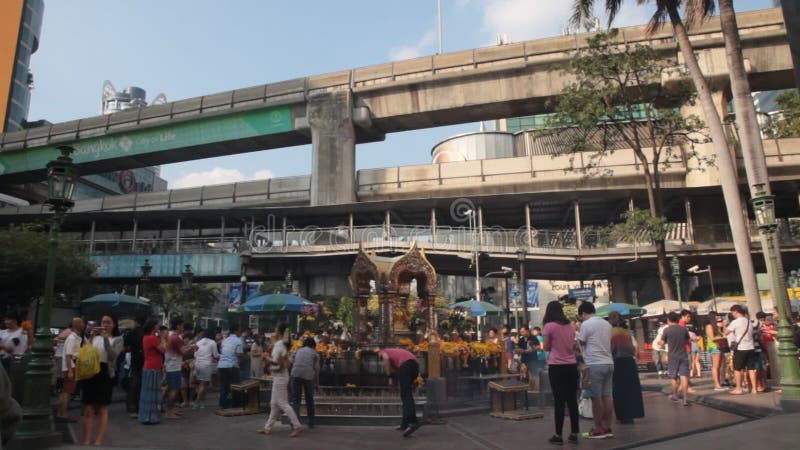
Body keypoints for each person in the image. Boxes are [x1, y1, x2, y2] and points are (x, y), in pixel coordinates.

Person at [81, 314, 123, 445]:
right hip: (91, 372)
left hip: (105, 373)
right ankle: (87, 438)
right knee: (88, 407)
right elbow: (84, 351)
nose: (105, 325)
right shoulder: (94, 337)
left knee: (103, 407)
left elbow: (112, 356)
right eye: (103, 322)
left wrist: (106, 340)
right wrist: (92, 336)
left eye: (108, 322)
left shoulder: (117, 339)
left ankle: (99, 439)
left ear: (114, 324)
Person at [542, 301, 579, 445]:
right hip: (571, 365)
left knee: (559, 401)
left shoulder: (549, 326)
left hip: (557, 366)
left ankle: (558, 435)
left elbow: (546, 347)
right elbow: (572, 345)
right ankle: (574, 433)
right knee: (572, 401)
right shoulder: (570, 326)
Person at [259, 322, 303, 437]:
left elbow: (280, 362)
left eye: (275, 329)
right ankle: (267, 427)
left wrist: (266, 358)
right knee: (274, 404)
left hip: (280, 377)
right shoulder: (281, 344)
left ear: (279, 332)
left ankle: (297, 425)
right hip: (279, 376)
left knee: (283, 403)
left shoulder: (279, 345)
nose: (274, 331)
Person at [577, 301, 614, 439]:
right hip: (609, 362)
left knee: (596, 397)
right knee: (607, 396)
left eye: (581, 316)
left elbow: (581, 342)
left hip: (594, 364)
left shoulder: (586, 324)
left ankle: (598, 428)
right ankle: (607, 427)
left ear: (584, 313)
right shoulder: (607, 324)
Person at [608, 311, 644, 424]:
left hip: (618, 362)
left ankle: (622, 416)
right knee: (631, 390)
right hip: (629, 362)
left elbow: (611, 349)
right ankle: (631, 414)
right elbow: (632, 348)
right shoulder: (627, 331)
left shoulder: (612, 332)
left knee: (619, 390)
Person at [378, 347, 420, 438]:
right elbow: (397, 370)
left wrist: (389, 377)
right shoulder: (396, 354)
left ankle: (412, 422)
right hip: (415, 366)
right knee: (404, 394)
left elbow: (385, 359)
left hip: (407, 365)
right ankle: (404, 424)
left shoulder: (383, 352)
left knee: (406, 394)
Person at [725, 304, 757, 395]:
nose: (732, 314)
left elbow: (726, 332)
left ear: (735, 312)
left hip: (740, 348)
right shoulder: (749, 321)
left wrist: (724, 325)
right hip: (751, 347)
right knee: (751, 368)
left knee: (738, 369)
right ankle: (754, 388)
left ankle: (739, 388)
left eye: (732, 312)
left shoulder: (735, 322)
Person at [659, 312, 691, 406]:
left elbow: (662, 342)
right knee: (684, 376)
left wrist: (659, 343)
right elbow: (688, 341)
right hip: (683, 355)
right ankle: (685, 399)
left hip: (672, 356)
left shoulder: (667, 330)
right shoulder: (683, 329)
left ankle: (675, 396)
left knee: (674, 377)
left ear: (669, 320)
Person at [139, 318, 166, 424]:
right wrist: (163, 338)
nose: (158, 327)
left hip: (148, 366)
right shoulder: (152, 338)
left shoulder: (146, 337)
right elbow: (163, 349)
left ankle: (146, 415)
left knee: (147, 392)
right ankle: (150, 416)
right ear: (153, 326)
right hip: (153, 368)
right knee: (153, 393)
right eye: (157, 325)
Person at [57, 317, 83, 423]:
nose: (83, 325)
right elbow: (68, 355)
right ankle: (63, 414)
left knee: (66, 391)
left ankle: (61, 413)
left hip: (70, 366)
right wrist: (70, 370)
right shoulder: (72, 338)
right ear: (76, 324)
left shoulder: (76, 337)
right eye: (80, 323)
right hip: (70, 366)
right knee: (67, 392)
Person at [291, 336, 320, 428]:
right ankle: (310, 422)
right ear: (313, 345)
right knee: (309, 399)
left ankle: (294, 423)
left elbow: (292, 361)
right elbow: (316, 371)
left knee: (296, 400)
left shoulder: (298, 351)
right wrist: (317, 384)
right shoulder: (315, 354)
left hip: (295, 374)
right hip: (308, 376)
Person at [123, 315, 146, 418]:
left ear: (136, 322)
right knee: (141, 385)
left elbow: (125, 348)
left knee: (134, 384)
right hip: (145, 361)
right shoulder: (146, 333)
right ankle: (140, 407)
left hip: (134, 360)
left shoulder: (130, 333)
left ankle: (132, 408)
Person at [217, 324, 244, 410]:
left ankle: (223, 404)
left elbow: (222, 351)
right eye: (240, 330)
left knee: (224, 386)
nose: (240, 332)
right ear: (236, 331)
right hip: (232, 365)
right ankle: (236, 404)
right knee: (236, 385)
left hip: (221, 365)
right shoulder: (238, 340)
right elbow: (239, 354)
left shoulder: (225, 340)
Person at [164, 318, 185, 419]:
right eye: (182, 326)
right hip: (174, 367)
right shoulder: (175, 338)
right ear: (178, 326)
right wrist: (192, 347)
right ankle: (169, 412)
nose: (183, 328)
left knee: (173, 389)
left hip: (172, 366)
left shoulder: (171, 336)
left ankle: (171, 410)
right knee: (174, 390)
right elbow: (183, 351)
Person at [192, 328, 218, 409]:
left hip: (197, 364)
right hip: (206, 365)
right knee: (203, 385)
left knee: (200, 384)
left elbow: (195, 355)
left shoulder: (198, 342)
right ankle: (196, 402)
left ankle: (202, 402)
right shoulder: (213, 342)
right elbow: (216, 355)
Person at [704, 312, 727, 391]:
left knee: (719, 366)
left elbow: (723, 333)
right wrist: (723, 337)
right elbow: (712, 338)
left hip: (719, 346)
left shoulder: (716, 326)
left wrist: (723, 326)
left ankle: (719, 383)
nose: (718, 319)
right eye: (717, 317)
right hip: (714, 347)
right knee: (715, 366)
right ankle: (717, 385)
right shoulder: (709, 326)